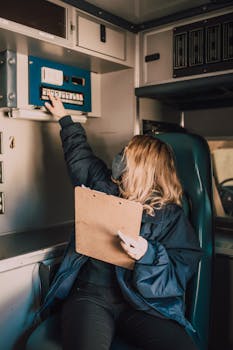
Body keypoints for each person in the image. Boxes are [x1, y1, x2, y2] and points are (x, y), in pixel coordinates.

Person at [40, 95, 202, 350]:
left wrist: (148, 254)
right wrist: (64, 118)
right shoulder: (104, 184)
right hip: (90, 295)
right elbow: (79, 155)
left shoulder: (170, 215)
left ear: (144, 169)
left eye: (127, 157)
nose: (120, 160)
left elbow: (180, 272)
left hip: (140, 303)